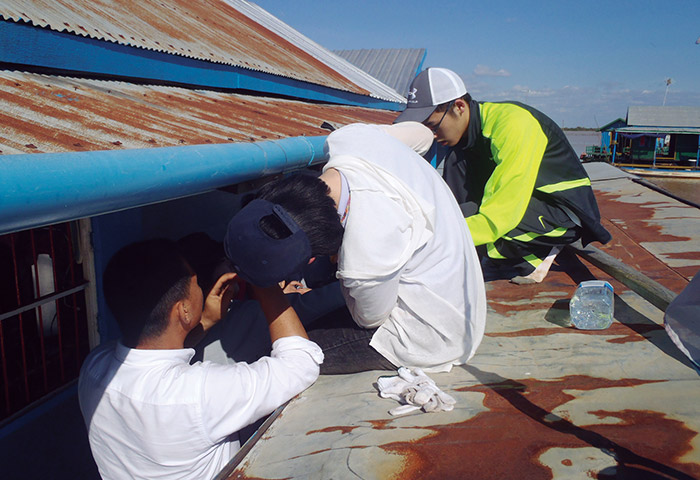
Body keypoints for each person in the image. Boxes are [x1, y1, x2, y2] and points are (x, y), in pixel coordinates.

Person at [225, 122, 487, 374]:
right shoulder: (348, 140)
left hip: (435, 333)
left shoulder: (367, 252)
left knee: (289, 352)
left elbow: (369, 319)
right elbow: (423, 135)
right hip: (460, 296)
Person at [78, 239, 323, 480]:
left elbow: (154, 354)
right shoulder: (198, 393)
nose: (201, 289)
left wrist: (205, 321)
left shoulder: (94, 368)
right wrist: (263, 284)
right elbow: (301, 363)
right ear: (183, 310)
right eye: (196, 282)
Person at [395, 67, 612, 283]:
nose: (431, 135)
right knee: (458, 220)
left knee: (488, 247)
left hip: (562, 209)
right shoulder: (462, 136)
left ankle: (537, 254)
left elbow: (500, 215)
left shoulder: (513, 124)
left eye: (433, 126)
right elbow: (455, 204)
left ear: (459, 106)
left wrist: (442, 238)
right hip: (523, 200)